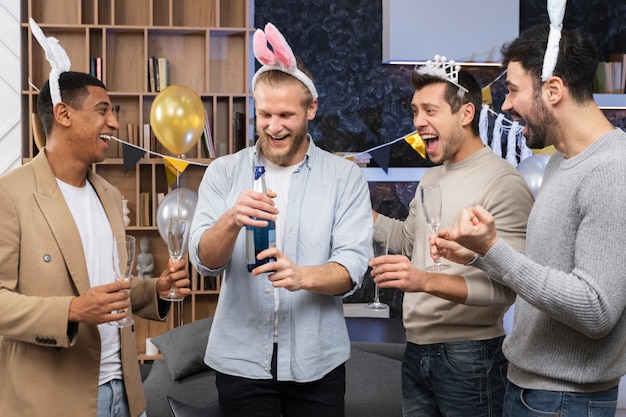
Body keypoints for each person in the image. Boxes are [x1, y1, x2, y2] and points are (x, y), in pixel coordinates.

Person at [433, 24, 626, 417]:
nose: (505, 105)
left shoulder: (611, 171)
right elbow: (548, 274)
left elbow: (595, 310)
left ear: (552, 91)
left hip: (565, 401)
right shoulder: (561, 162)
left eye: (514, 90)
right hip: (531, 390)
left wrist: (493, 248)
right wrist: (477, 255)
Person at [188, 23, 372, 417]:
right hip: (239, 364)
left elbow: (353, 267)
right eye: (265, 114)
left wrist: (303, 276)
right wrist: (231, 220)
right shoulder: (223, 172)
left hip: (318, 364)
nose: (273, 126)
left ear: (312, 109)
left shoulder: (345, 178)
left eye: (286, 114)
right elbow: (203, 261)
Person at [0, 71, 191, 417]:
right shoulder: (9, 194)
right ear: (63, 114)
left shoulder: (110, 195)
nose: (114, 123)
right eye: (103, 110)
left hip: (127, 395)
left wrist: (155, 290)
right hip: (52, 404)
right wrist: (71, 311)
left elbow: (106, 286)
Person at [369, 57, 534, 417]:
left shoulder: (503, 182)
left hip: (470, 357)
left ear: (466, 113)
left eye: (430, 110)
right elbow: (408, 242)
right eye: (415, 111)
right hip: (415, 350)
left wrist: (423, 281)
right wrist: (354, 208)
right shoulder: (432, 178)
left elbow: (508, 288)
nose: (417, 122)